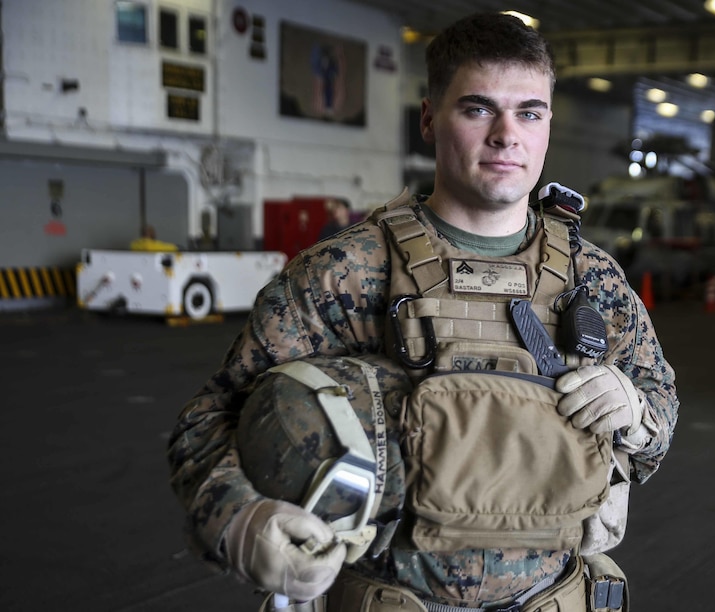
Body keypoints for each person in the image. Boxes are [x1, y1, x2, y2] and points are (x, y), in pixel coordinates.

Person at [167, 12, 678, 612]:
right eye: (478, 108)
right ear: (430, 118)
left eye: (530, 112)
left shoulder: (593, 279)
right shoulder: (347, 272)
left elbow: (659, 402)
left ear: (547, 125)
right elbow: (211, 418)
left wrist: (639, 417)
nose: (507, 135)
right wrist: (243, 521)